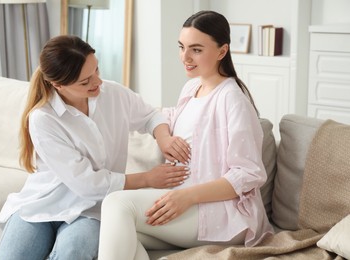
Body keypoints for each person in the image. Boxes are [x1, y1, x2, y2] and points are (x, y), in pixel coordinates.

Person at [0, 35, 191, 260]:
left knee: (72, 254)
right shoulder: (43, 118)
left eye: (96, 70)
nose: (97, 82)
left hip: (91, 210)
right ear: (57, 85)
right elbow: (88, 184)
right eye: (85, 81)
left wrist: (164, 137)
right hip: (42, 204)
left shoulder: (114, 94)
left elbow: (150, 116)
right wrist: (147, 179)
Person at [98, 10, 274, 260]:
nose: (185, 57)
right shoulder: (193, 87)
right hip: (182, 202)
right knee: (122, 234)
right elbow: (165, 117)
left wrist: (187, 196)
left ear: (222, 51)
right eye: (182, 47)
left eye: (196, 49)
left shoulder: (232, 99)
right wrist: (164, 138)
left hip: (220, 212)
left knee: (117, 203)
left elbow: (248, 173)